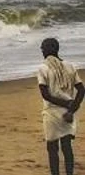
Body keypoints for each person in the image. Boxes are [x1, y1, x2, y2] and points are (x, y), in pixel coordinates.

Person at [38, 38, 84, 175]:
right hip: (67, 112)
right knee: (67, 146)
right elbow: (81, 90)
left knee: (52, 148)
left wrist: (66, 105)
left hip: (51, 113)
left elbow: (45, 95)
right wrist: (71, 108)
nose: (42, 50)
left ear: (48, 49)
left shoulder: (43, 68)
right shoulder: (69, 66)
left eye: (43, 48)